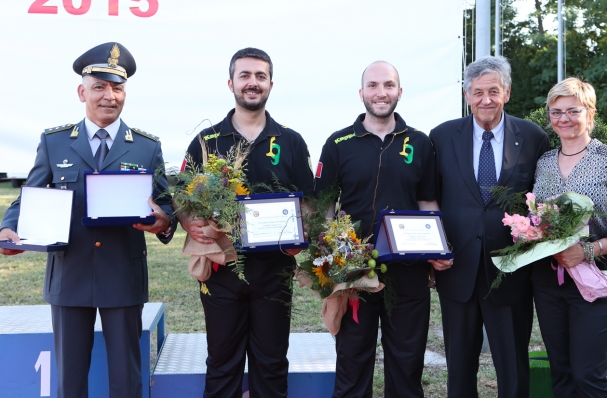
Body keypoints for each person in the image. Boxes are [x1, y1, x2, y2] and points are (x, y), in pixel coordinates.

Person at [0, 42, 175, 398]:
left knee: (127, 378)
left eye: (118, 88)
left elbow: (165, 205)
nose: (109, 96)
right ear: (82, 92)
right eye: (99, 86)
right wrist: (9, 225)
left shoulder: (146, 146)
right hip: (70, 272)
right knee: (71, 378)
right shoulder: (55, 142)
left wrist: (163, 222)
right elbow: (30, 194)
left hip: (122, 274)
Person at [178, 47, 315, 398]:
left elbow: (309, 203)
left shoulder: (292, 141)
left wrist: (304, 233)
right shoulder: (206, 142)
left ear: (270, 84)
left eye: (260, 76)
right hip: (222, 273)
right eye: (245, 76)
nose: (252, 83)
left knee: (271, 365)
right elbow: (182, 196)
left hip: (274, 273)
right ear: (231, 83)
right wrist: (189, 222)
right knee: (222, 364)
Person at [314, 61, 452, 398]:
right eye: (373, 86)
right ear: (362, 93)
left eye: (389, 85)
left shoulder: (419, 142)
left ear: (399, 92)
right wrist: (333, 255)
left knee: (407, 364)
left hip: (408, 273)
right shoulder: (338, 143)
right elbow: (322, 207)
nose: (381, 92)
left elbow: (428, 203)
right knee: (352, 360)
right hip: (355, 273)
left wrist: (440, 249)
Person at [429, 55, 549, 398]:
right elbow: (431, 200)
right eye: (478, 92)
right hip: (457, 270)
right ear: (467, 95)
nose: (486, 100)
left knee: (513, 370)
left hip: (511, 273)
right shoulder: (441, 136)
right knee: (459, 368)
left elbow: (541, 200)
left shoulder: (532, 137)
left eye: (493, 91)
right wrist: (434, 250)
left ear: (507, 93)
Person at [530, 78, 607, 397]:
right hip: (549, 281)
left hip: (597, 278)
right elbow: (536, 216)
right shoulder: (543, 163)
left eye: (572, 110)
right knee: (562, 374)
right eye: (556, 111)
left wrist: (588, 251)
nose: (563, 118)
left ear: (589, 112)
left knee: (587, 375)